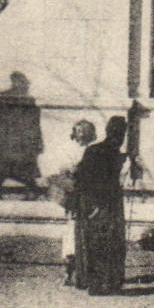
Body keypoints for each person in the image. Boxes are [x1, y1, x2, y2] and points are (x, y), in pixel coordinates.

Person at [72, 116, 130, 296]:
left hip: (95, 204)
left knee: (97, 243)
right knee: (111, 243)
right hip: (108, 205)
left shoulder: (94, 150)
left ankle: (96, 284)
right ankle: (110, 283)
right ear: (121, 135)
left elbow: (79, 177)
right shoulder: (116, 155)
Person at [45, 120, 98, 286]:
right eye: (78, 130)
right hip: (74, 196)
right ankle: (69, 272)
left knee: (87, 235)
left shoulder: (94, 149)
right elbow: (64, 169)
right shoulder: (68, 149)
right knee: (71, 235)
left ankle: (86, 273)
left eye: (85, 131)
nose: (81, 133)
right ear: (74, 132)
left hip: (89, 196)